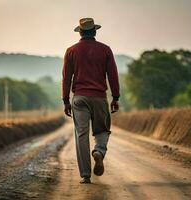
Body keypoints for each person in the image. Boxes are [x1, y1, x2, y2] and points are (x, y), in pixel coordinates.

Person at [62, 18, 120, 184]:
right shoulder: (105, 50)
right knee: (102, 130)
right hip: (99, 97)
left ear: (80, 32)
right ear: (94, 31)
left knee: (81, 134)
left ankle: (85, 175)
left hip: (79, 98)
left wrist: (65, 100)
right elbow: (113, 76)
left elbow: (66, 78)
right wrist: (115, 97)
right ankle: (99, 152)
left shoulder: (71, 51)